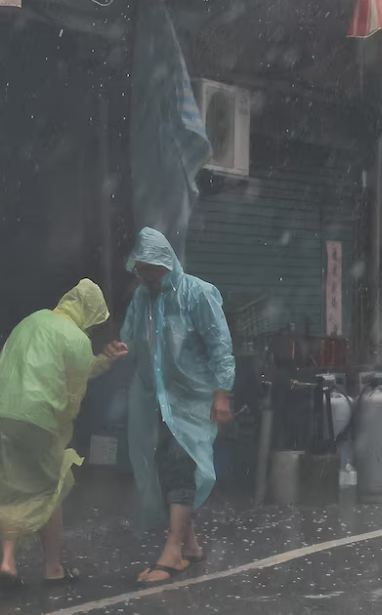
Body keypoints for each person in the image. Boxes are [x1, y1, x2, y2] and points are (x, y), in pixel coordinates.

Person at [0, 279, 128, 589]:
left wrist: (104, 360)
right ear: (89, 312)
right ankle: (53, 568)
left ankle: (8, 564)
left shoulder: (32, 320)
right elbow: (74, 390)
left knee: (11, 486)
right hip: (35, 417)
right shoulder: (76, 338)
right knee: (51, 489)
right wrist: (62, 426)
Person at [120, 227, 235, 585]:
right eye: (141, 271)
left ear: (166, 262)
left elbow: (220, 345)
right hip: (155, 398)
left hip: (193, 399)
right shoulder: (142, 298)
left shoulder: (197, 294)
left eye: (151, 269)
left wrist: (221, 392)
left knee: (181, 465)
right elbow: (131, 338)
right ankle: (190, 545)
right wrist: (116, 351)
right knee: (164, 466)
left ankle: (172, 553)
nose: (147, 277)